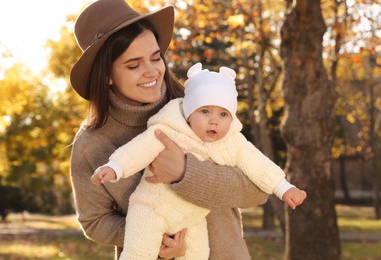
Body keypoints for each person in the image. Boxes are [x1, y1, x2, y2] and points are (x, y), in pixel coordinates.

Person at [69, 0, 269, 259]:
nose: (152, 71)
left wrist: (186, 173)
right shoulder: (92, 144)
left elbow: (258, 190)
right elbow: (94, 221)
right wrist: (157, 238)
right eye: (134, 65)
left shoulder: (201, 110)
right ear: (106, 74)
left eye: (155, 58)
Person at [92, 62, 307, 259]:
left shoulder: (233, 143)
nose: (214, 120)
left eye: (224, 115)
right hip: (152, 208)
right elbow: (138, 149)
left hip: (192, 218)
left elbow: (258, 166)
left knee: (199, 254)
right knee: (139, 250)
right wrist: (115, 167)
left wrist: (284, 188)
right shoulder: (169, 131)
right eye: (205, 111)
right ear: (188, 114)